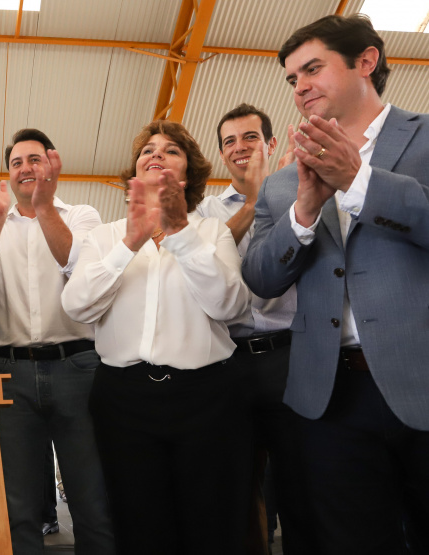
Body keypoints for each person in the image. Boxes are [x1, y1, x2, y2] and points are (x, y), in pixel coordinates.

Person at [242, 14, 429, 554]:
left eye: (313, 69)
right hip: (331, 398)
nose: (299, 87)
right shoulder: (282, 185)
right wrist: (302, 212)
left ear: (365, 62)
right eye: (291, 78)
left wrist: (358, 180)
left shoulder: (424, 138)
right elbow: (260, 277)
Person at [62, 120, 251, 554]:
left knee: (212, 524)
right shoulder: (104, 236)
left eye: (170, 150)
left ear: (187, 175)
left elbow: (230, 306)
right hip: (124, 399)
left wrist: (180, 233)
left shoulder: (212, 232)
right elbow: (77, 306)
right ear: (135, 170)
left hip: (206, 398)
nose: (155, 155)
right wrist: (129, 244)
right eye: (148, 150)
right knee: (138, 524)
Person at [0, 128, 113, 555]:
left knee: (92, 498)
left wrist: (44, 206)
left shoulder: (83, 215)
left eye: (34, 159)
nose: (25, 168)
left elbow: (75, 264)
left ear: (51, 165)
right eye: (16, 163)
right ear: (8, 174)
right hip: (11, 372)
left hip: (78, 366)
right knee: (17, 503)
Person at [196, 103, 315, 554]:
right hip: (230, 361)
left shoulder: (301, 191)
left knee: (302, 480)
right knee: (240, 491)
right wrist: (255, 199)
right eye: (229, 141)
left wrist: (276, 191)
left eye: (249, 138)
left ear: (270, 144)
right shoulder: (207, 211)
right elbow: (206, 260)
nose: (239, 148)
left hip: (292, 355)